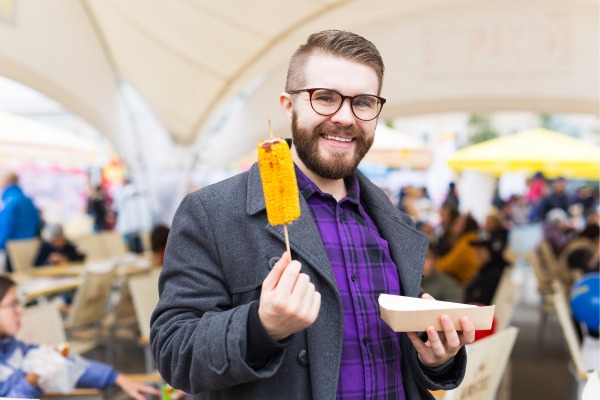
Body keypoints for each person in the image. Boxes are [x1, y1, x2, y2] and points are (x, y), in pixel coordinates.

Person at [151, 30, 474, 399]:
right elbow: (173, 352)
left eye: (363, 102)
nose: (345, 117)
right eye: (325, 98)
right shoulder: (212, 213)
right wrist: (262, 326)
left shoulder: (393, 222)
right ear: (288, 106)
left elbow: (398, 359)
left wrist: (436, 359)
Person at [0, 276, 159, 399]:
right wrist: (32, 380)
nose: (20, 310)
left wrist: (117, 378)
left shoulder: (14, 345)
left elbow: (70, 364)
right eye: (12, 304)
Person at [0, 173, 40, 272]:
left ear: (7, 181)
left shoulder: (10, 201)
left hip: (13, 248)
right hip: (30, 245)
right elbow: (37, 221)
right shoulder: (27, 200)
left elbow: (6, 227)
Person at [436, 214, 481, 285]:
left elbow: (447, 266)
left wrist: (430, 261)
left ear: (466, 227)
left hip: (465, 286)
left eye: (459, 223)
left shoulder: (467, 242)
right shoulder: (470, 238)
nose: (454, 224)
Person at [465, 236, 509, 306]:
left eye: (481, 248)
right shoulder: (487, 271)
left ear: (492, 251)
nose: (477, 251)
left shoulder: (493, 276)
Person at [112, 179, 152, 254]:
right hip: (139, 221)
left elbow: (116, 208)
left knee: (132, 243)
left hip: (129, 222)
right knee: (139, 241)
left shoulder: (121, 192)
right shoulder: (141, 190)